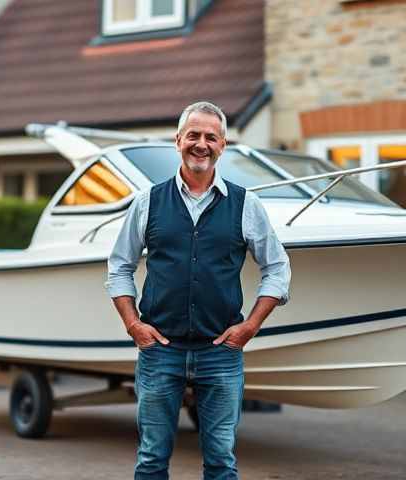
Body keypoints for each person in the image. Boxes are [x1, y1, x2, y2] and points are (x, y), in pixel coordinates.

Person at [106, 101, 291, 480]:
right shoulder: (148, 201)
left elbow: (277, 268)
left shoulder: (245, 204)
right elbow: (119, 266)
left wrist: (250, 327)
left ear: (223, 145)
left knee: (221, 462)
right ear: (178, 141)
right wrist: (133, 325)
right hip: (159, 351)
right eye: (193, 135)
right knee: (151, 459)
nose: (201, 144)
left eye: (211, 137)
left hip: (221, 352)